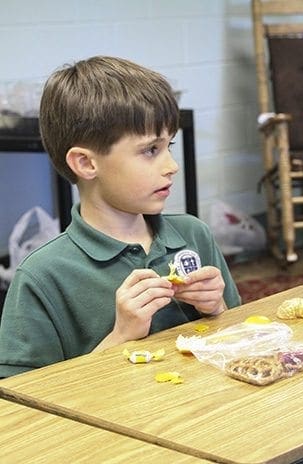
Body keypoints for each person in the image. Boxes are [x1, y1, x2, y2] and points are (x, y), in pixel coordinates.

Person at [0, 56, 241, 378]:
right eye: (150, 150)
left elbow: (242, 342)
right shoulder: (43, 274)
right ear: (86, 164)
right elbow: (18, 398)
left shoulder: (194, 234)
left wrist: (217, 308)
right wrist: (120, 337)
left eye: (168, 145)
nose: (172, 166)